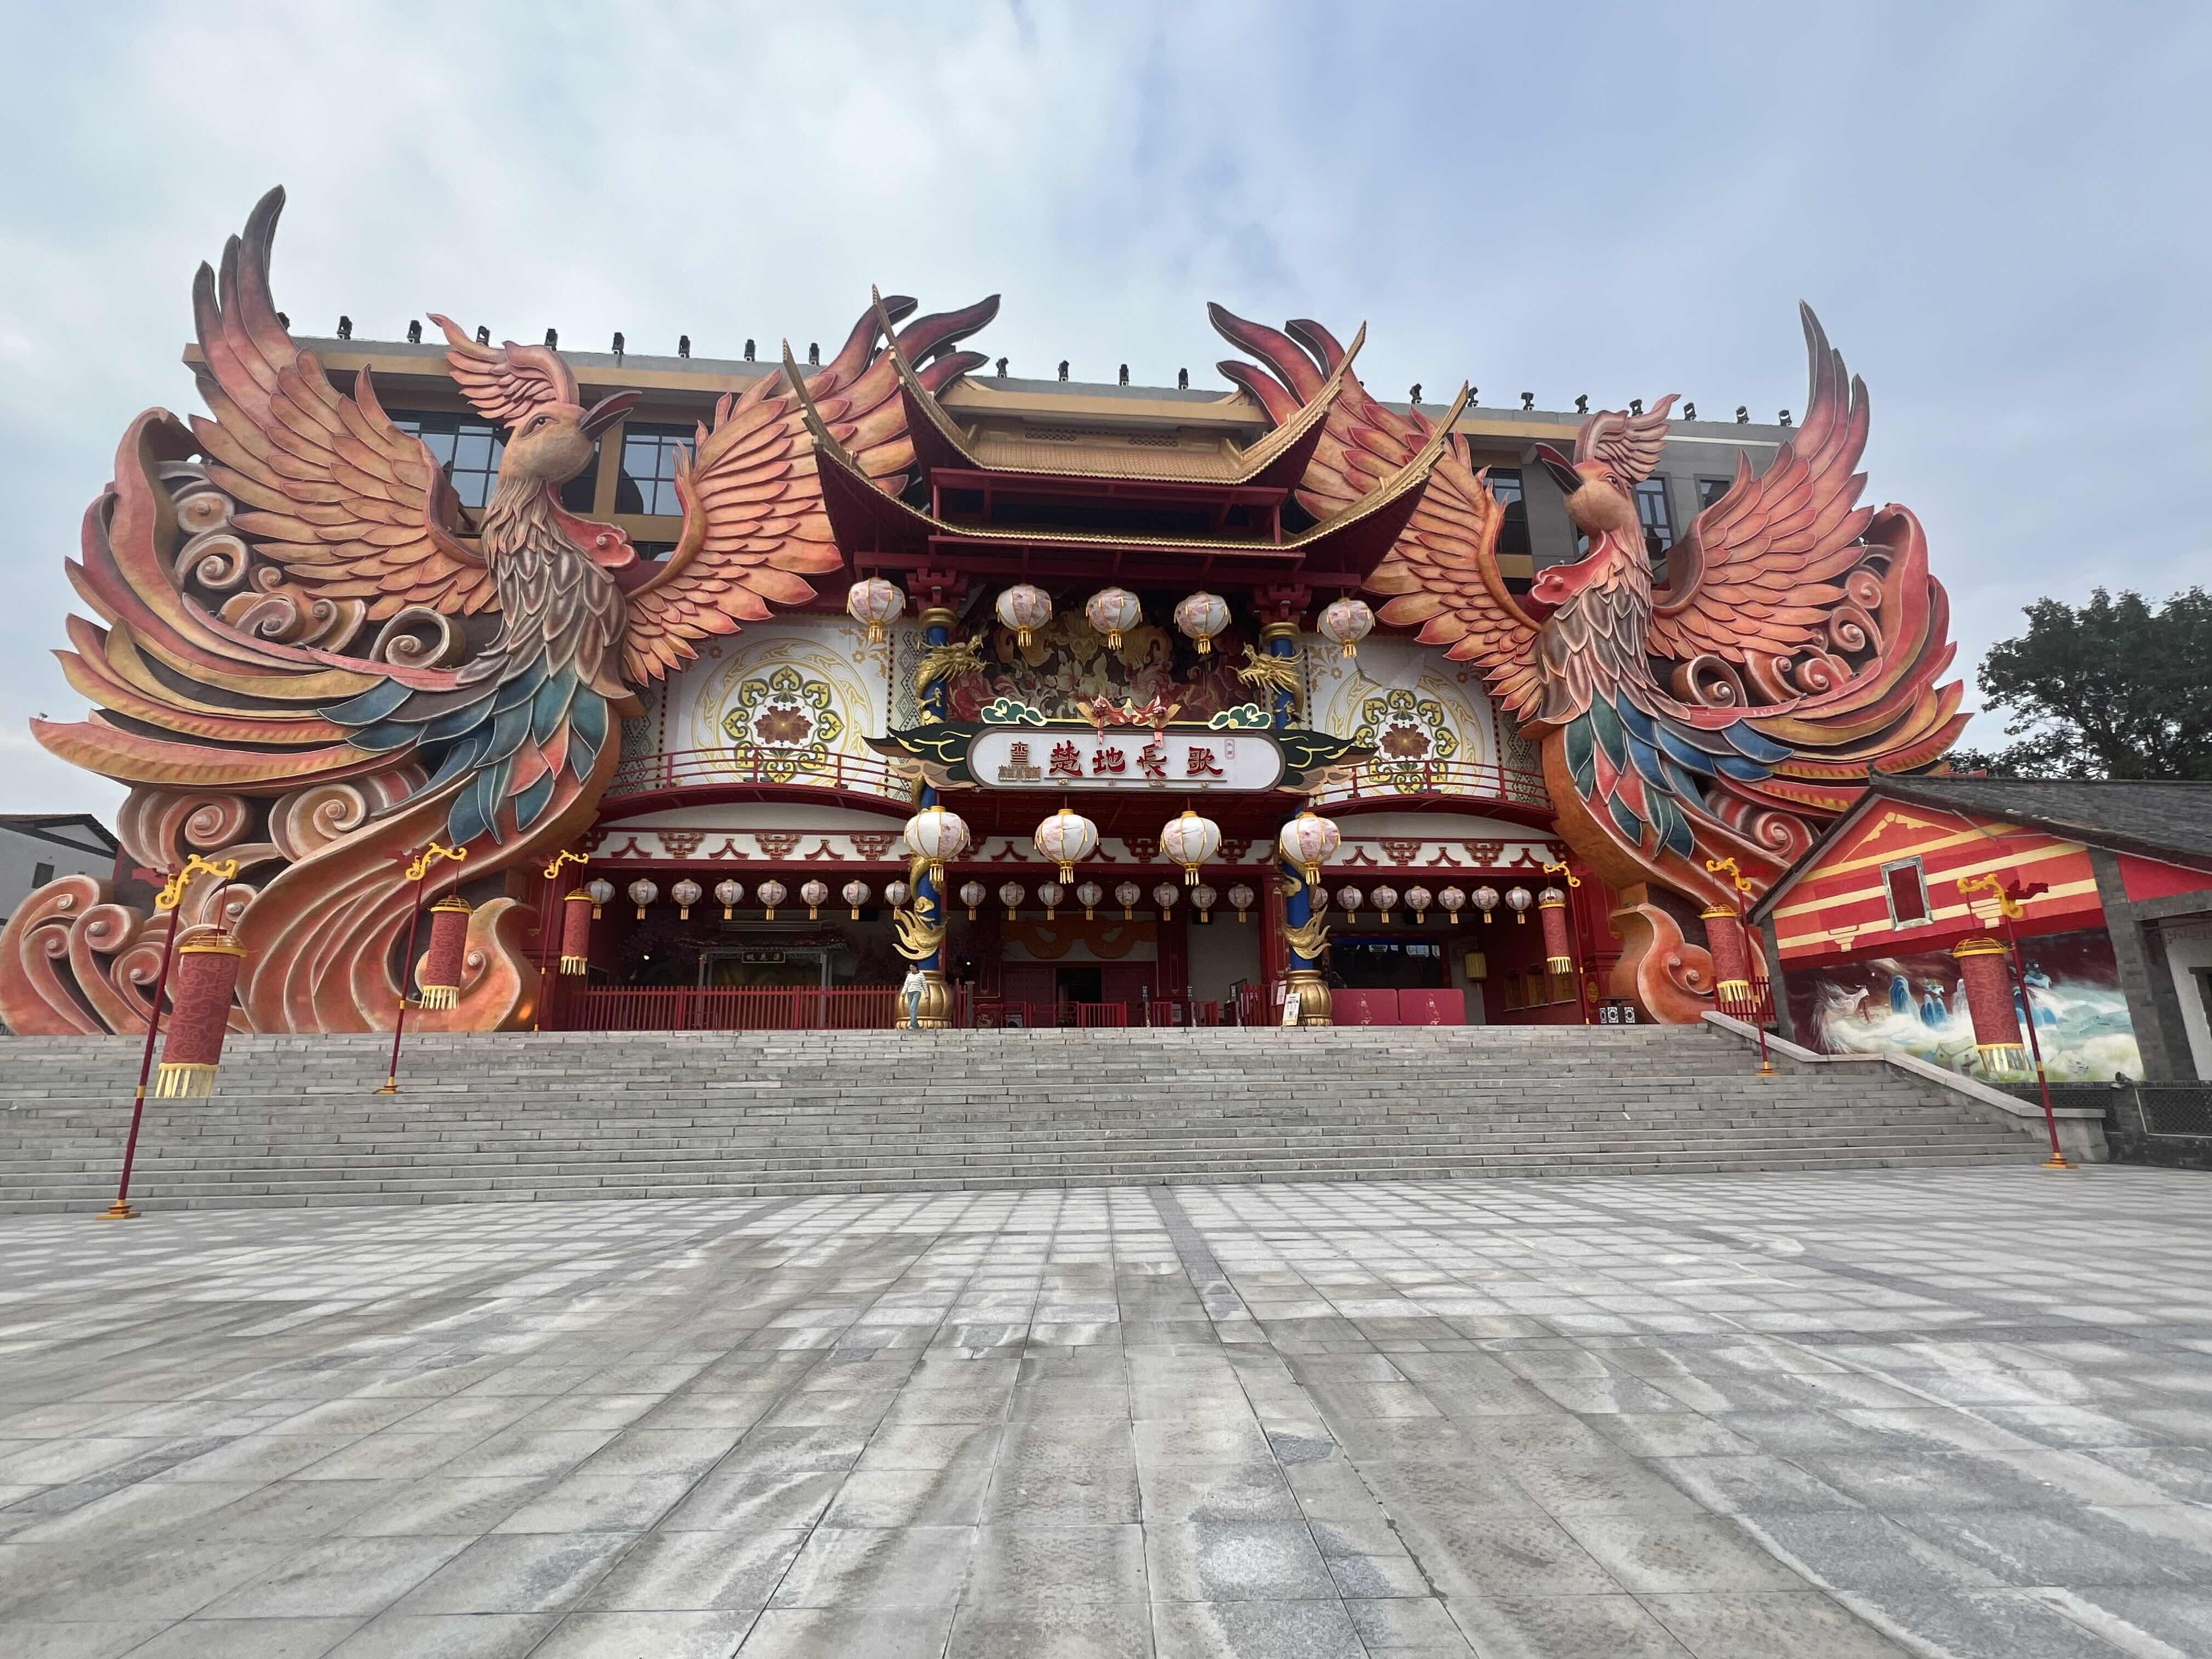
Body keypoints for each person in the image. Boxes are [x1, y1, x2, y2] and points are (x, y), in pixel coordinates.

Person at [901, 964, 927, 1030]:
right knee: (912, 1009)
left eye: (912, 967)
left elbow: (924, 985)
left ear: (916, 967)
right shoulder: (909, 975)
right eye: (910, 968)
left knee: (913, 1008)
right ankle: (916, 1025)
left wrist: (927, 995)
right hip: (910, 993)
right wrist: (903, 992)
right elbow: (906, 984)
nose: (911, 969)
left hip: (917, 992)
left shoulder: (921, 975)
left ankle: (912, 1025)